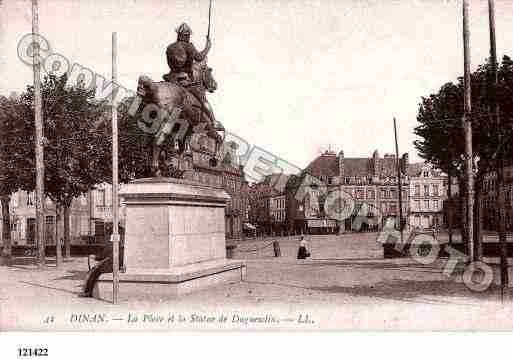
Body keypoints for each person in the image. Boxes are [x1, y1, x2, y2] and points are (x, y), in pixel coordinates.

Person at [79, 227, 124, 298]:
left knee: (93, 272)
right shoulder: (120, 244)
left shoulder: (112, 244)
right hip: (114, 264)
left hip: (109, 265)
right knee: (94, 271)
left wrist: (94, 257)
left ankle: (88, 292)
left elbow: (103, 256)